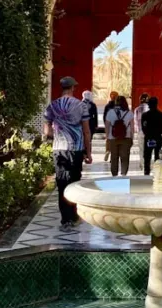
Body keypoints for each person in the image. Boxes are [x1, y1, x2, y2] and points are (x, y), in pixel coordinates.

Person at [43, 76, 92, 228]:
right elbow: (86, 131)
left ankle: (65, 219)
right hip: (75, 149)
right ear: (72, 88)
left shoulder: (52, 106)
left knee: (62, 183)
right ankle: (74, 215)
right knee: (74, 182)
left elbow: (47, 131)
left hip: (59, 149)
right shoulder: (81, 105)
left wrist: (57, 134)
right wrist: (88, 153)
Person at [105, 94, 134, 176]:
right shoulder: (129, 113)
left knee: (114, 157)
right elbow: (132, 128)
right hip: (126, 137)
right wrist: (132, 138)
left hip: (113, 138)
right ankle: (124, 173)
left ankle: (114, 174)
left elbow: (107, 126)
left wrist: (107, 137)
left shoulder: (110, 112)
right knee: (125, 157)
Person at [141, 96, 162, 176]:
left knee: (147, 156)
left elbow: (143, 127)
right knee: (157, 157)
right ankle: (157, 172)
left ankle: (146, 172)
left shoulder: (145, 115)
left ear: (148, 105)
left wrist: (148, 133)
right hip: (158, 137)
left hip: (148, 138)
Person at [133, 92, 150, 167]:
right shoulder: (150, 109)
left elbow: (135, 121)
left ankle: (142, 162)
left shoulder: (137, 109)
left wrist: (136, 130)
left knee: (141, 148)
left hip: (140, 131)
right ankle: (147, 162)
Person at [102, 90, 118, 162]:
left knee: (108, 139)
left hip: (108, 125)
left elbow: (104, 116)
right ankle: (113, 156)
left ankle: (108, 150)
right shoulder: (118, 106)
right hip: (116, 125)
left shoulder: (107, 106)